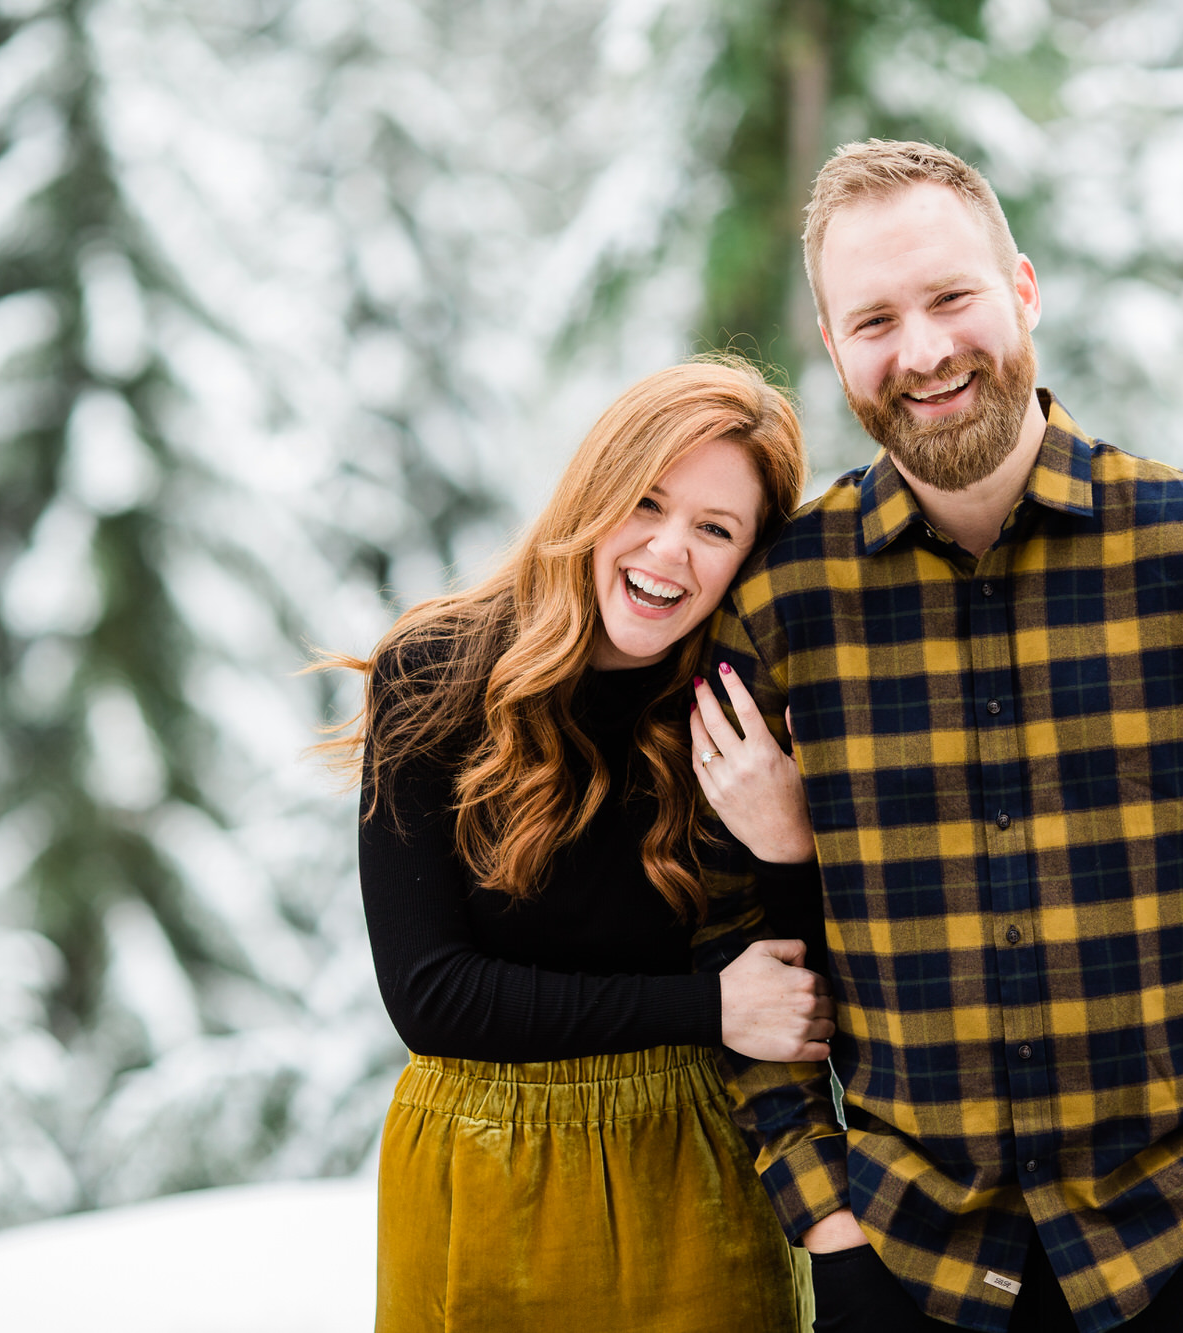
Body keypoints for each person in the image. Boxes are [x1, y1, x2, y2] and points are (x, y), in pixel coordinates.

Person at [688, 140, 1183, 1333]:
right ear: (829, 341)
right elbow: (730, 936)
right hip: (904, 1263)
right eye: (872, 320)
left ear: (1020, 288)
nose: (921, 352)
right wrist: (823, 1214)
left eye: (950, 297)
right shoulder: (780, 602)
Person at [333, 358, 830, 1332]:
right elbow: (430, 995)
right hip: (480, 1164)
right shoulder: (434, 670)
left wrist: (786, 842)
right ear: (592, 491)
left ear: (748, 560)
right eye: (645, 501)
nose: (667, 550)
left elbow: (804, 1000)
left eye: (714, 529)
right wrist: (704, 1004)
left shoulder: (749, 714)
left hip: (696, 1169)